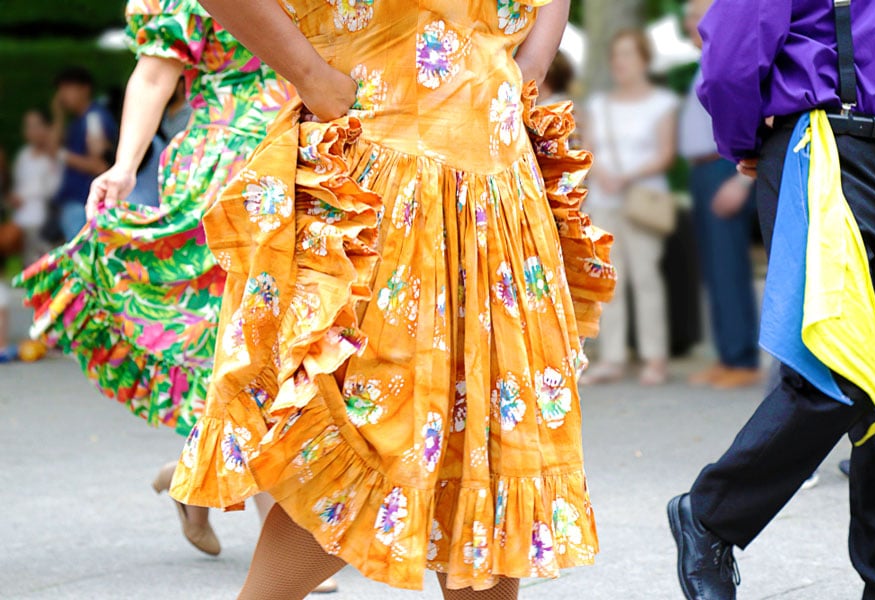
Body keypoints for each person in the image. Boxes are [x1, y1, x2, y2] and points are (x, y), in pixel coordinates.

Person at [168, 0, 616, 598]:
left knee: (490, 444)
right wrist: (309, 74)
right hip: (384, 192)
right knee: (371, 438)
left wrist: (534, 58)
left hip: (501, 196)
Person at [13, 4, 345, 591]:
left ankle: (197, 475)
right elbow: (154, 70)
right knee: (252, 345)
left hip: (312, 160)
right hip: (226, 175)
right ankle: (270, 531)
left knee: (297, 345)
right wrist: (122, 166)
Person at [667, 1, 875, 599]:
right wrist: (741, 137)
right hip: (828, 147)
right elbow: (729, 54)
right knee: (837, 369)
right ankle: (712, 516)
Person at [581, 29, 678, 386]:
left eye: (628, 55)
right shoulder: (599, 105)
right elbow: (588, 149)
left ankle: (655, 358)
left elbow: (665, 153)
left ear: (644, 60)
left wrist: (627, 176)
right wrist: (604, 173)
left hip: (642, 199)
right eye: (616, 55)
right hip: (604, 201)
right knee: (611, 282)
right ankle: (613, 357)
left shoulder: (662, 103)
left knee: (646, 278)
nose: (620, 62)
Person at [680, 0, 761, 390]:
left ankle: (742, 359)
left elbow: (755, 118)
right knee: (715, 268)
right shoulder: (703, 60)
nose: (689, 22)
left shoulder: (725, 58)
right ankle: (728, 354)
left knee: (729, 266)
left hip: (723, 168)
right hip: (703, 171)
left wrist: (740, 179)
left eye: (696, 14)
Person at [50, 67, 117, 241]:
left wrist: (62, 156)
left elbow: (99, 165)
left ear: (85, 89)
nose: (62, 95)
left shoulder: (94, 118)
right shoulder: (78, 121)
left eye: (67, 88)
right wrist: (58, 113)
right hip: (75, 203)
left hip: (83, 203)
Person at [10, 109, 64, 264]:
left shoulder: (54, 157)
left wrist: (25, 195)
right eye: (28, 126)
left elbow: (54, 188)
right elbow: (18, 186)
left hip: (43, 217)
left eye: (36, 126)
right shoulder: (23, 156)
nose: (32, 131)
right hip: (20, 217)